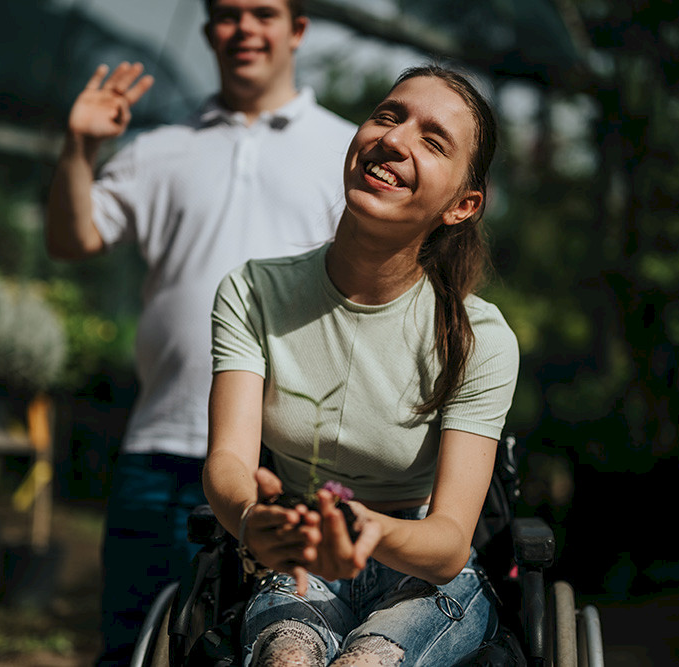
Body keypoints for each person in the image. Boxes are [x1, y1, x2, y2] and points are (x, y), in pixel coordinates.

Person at [44, 0, 355, 664]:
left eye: (263, 12)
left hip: (286, 467)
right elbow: (73, 238)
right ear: (209, 29)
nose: (244, 28)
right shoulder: (159, 147)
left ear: (297, 28)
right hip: (160, 447)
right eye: (227, 14)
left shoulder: (350, 151)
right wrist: (80, 148)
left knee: (263, 649)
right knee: (133, 646)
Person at [204, 64, 520, 666]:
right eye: (388, 115)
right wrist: (251, 518)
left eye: (432, 141)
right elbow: (229, 459)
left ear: (463, 204)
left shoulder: (480, 339)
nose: (395, 140)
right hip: (299, 555)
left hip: (422, 575)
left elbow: (450, 543)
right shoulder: (252, 293)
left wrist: (367, 530)